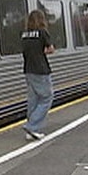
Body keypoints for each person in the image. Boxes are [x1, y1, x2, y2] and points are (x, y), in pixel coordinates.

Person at [21, 9, 55, 140]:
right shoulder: (42, 32)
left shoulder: (24, 34)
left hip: (28, 69)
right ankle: (32, 126)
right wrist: (44, 51)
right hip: (41, 70)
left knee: (33, 100)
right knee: (47, 98)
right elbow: (50, 48)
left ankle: (31, 131)